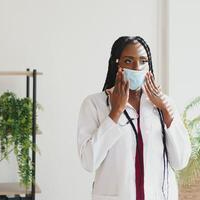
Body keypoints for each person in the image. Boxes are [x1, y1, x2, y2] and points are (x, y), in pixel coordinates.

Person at [77, 36, 191, 200]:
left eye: (143, 61)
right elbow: (89, 161)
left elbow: (180, 161)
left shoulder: (163, 105)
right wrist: (115, 112)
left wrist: (165, 110)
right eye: (129, 61)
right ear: (117, 64)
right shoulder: (95, 104)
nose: (137, 68)